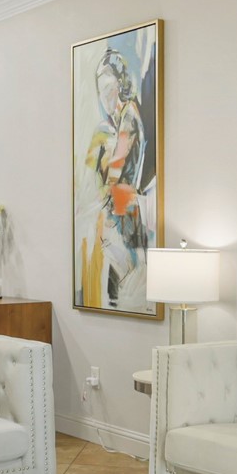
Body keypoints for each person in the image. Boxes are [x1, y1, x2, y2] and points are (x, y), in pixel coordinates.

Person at [80, 45, 152, 309]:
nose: (103, 98)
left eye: (106, 89)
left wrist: (95, 203)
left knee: (127, 286)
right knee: (112, 292)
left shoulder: (129, 116)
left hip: (125, 214)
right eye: (99, 91)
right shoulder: (109, 126)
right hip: (115, 215)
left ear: (119, 85)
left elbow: (116, 170)